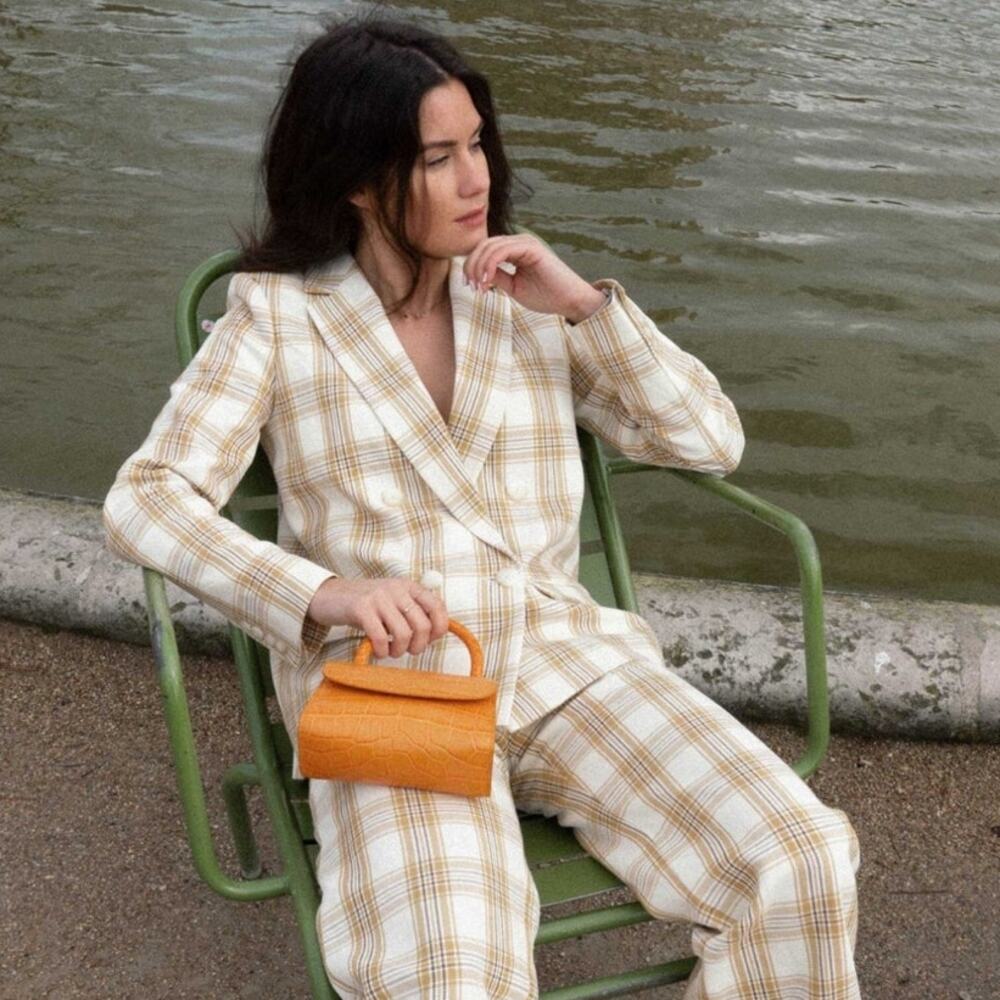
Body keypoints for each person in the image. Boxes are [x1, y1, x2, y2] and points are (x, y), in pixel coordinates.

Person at [102, 12, 861, 999]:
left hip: (566, 662)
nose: (477, 180)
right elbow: (146, 499)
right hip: (396, 681)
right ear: (356, 176)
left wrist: (586, 310)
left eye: (477, 146)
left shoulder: (521, 298)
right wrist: (324, 593)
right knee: (449, 970)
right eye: (438, 158)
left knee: (799, 856)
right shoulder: (278, 318)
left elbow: (708, 441)